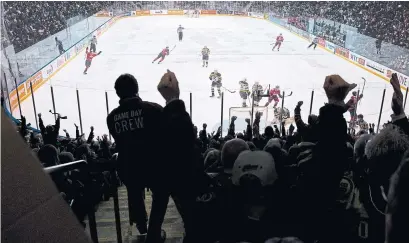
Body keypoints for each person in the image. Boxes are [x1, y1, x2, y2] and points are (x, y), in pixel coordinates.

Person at [106, 73, 165, 242]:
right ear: (136, 89)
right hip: (154, 165)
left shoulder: (111, 118)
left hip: (128, 167)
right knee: (161, 192)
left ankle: (142, 226)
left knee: (134, 194)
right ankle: (154, 231)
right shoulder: (154, 109)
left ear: (118, 93)